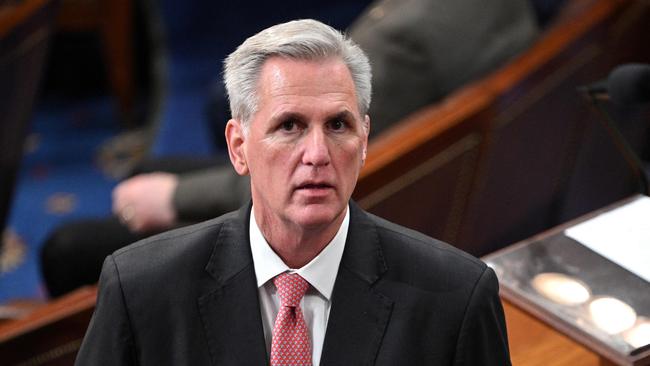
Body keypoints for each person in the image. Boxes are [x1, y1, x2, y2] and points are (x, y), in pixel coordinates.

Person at [74, 19, 510, 365]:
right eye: (289, 126)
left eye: (338, 125)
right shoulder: (141, 289)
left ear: (363, 142)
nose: (317, 154)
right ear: (238, 148)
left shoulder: (457, 297)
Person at [41, 0, 539, 298]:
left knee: (68, 249)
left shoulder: (406, 39)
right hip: (434, 182)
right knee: (154, 163)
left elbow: (315, 173)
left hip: (348, 222)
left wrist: (172, 199)